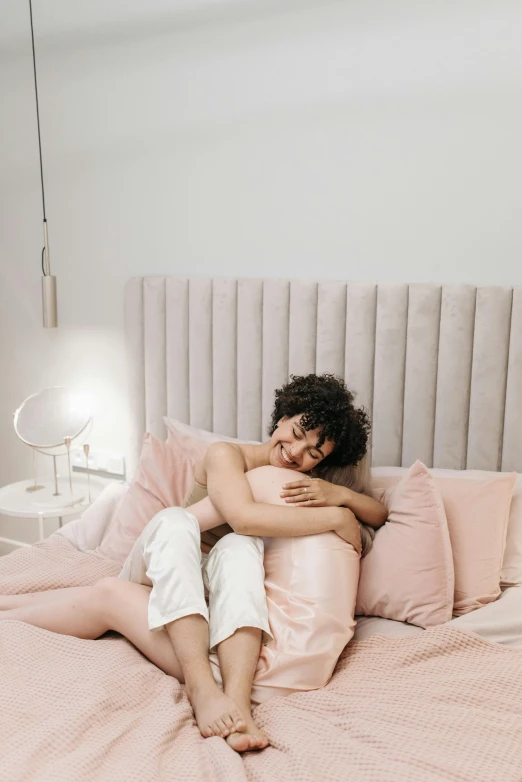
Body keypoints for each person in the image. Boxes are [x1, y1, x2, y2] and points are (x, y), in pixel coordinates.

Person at [0, 375, 387, 753]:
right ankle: (201, 687)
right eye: (298, 433)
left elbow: (379, 513)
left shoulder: (297, 482)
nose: (296, 453)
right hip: (164, 562)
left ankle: (235, 703)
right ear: (282, 416)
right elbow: (244, 517)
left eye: (314, 454)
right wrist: (336, 517)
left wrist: (341, 496)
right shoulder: (226, 455)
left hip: (210, 589)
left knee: (239, 549)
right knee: (181, 522)